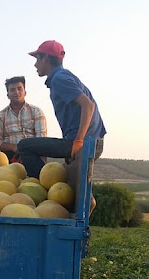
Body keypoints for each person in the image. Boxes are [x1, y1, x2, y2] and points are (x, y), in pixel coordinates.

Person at [17, 40, 106, 182]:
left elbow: (88, 106)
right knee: (71, 186)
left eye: (37, 59)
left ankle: (43, 184)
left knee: (24, 146)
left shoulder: (59, 79)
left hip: (87, 143)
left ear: (45, 58)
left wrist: (78, 141)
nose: (35, 65)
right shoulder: (63, 76)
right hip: (91, 140)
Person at [0, 76, 47, 163]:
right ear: (8, 95)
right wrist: (14, 147)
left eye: (19, 89)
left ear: (25, 92)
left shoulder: (37, 112)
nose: (16, 92)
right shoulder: (1, 116)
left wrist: (25, 148)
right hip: (10, 158)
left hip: (33, 155)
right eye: (12, 90)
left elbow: (41, 139)